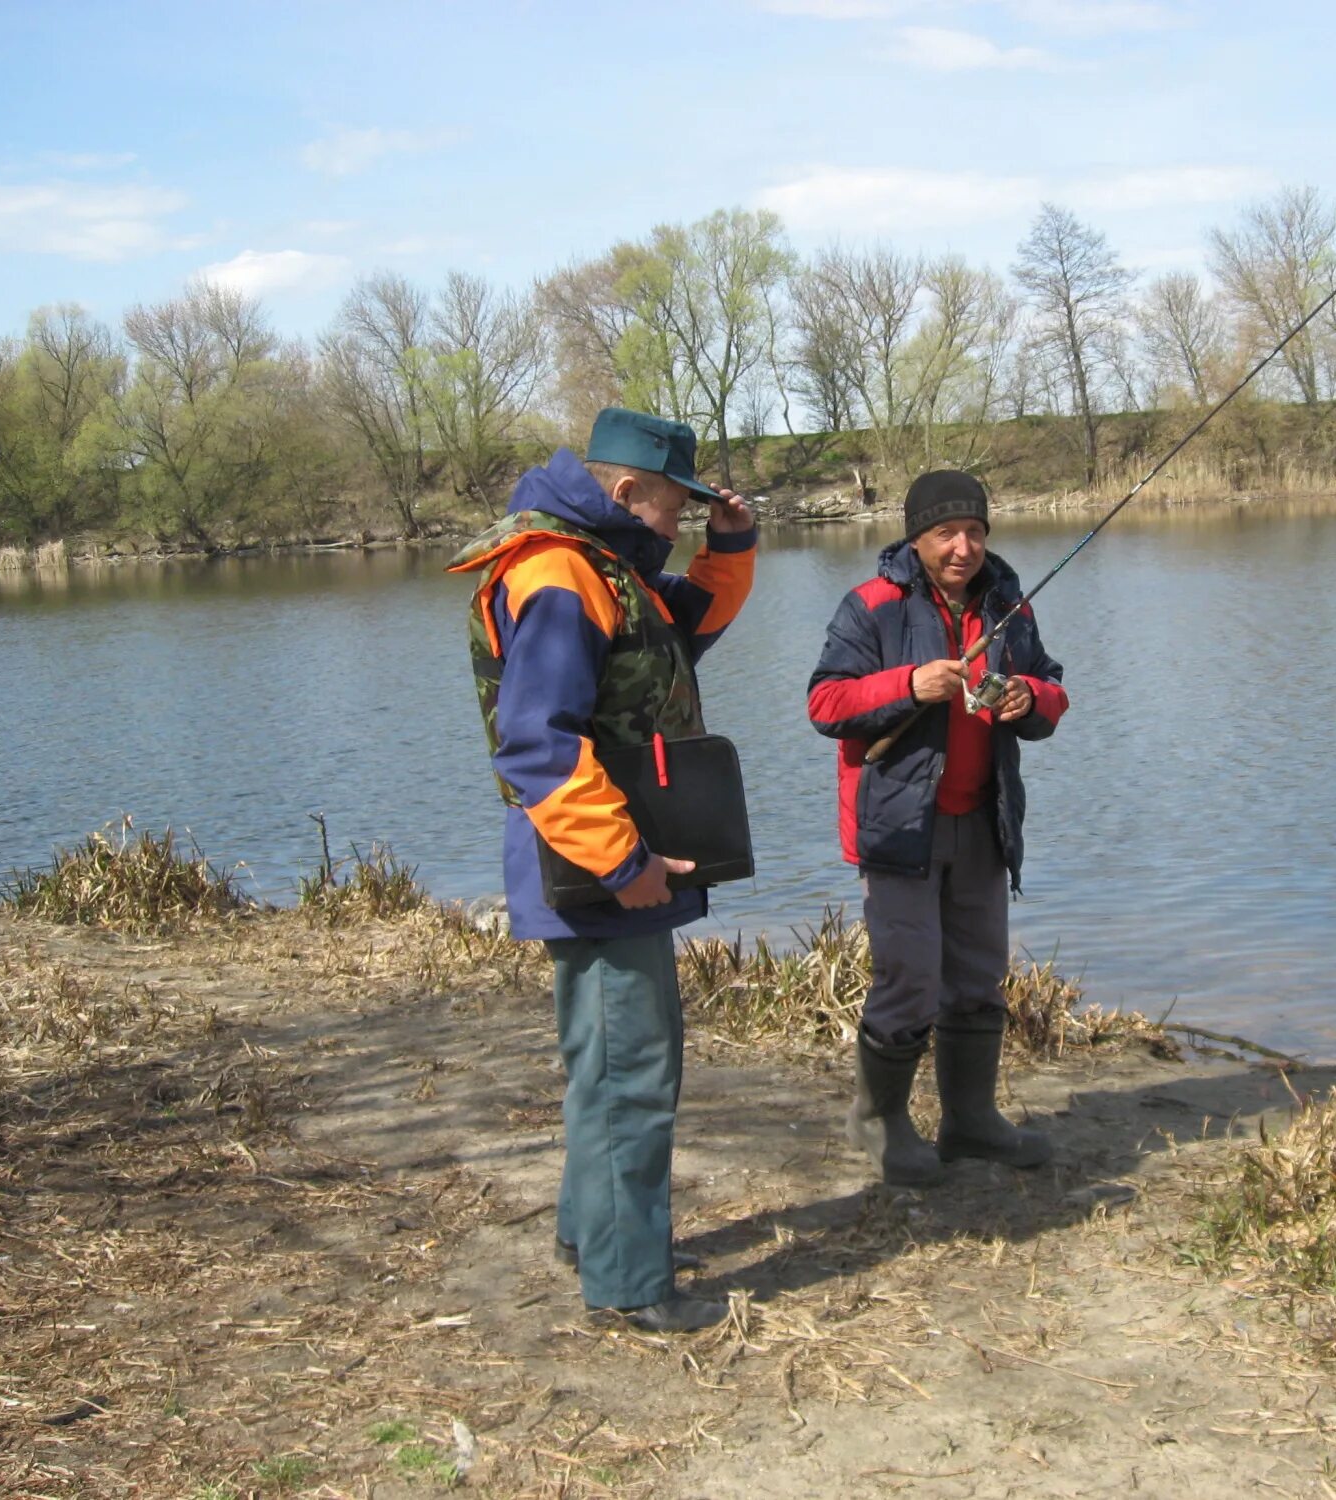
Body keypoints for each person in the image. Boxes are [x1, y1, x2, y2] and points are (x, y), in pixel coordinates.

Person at [448, 408, 756, 1332]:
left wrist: (730, 546)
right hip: (601, 863)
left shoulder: (604, 567)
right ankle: (628, 1284)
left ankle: (594, 1232)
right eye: (675, 505)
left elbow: (677, 636)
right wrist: (624, 861)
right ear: (625, 492)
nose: (678, 523)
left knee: (606, 1062)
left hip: (596, 858)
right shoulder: (559, 573)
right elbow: (537, 747)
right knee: (633, 1069)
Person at [807, 470, 1070, 1185]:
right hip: (898, 830)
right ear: (915, 536)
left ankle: (971, 1121)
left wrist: (1029, 696)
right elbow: (826, 703)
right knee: (909, 978)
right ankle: (880, 1121)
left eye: (975, 532)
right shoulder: (870, 605)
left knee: (979, 977)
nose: (963, 547)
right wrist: (909, 684)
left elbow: (1053, 685)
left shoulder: (1009, 603)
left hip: (984, 823)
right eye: (946, 533)